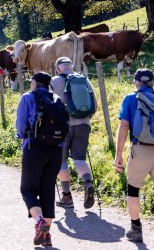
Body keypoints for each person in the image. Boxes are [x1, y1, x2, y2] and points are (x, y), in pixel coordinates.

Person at [114, 69, 154, 250]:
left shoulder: (131, 99)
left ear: (136, 82)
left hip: (140, 150)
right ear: (153, 82)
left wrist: (118, 154)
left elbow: (124, 127)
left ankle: (136, 229)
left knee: (133, 190)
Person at [16, 72, 65, 248]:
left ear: (35, 83)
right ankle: (46, 236)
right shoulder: (57, 98)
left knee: (27, 190)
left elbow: (21, 126)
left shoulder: (28, 97)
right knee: (47, 190)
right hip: (56, 150)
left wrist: (21, 137)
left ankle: (38, 221)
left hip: (34, 147)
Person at [51, 57, 98, 209]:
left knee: (62, 161)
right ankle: (88, 182)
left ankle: (67, 197)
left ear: (58, 68)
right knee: (79, 159)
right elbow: (94, 105)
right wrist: (85, 119)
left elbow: (47, 105)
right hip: (84, 125)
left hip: (62, 127)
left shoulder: (54, 81)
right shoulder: (83, 79)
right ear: (71, 66)